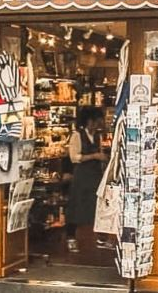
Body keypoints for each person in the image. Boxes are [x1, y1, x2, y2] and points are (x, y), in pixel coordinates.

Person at [65, 106, 108, 252]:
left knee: (98, 206)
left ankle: (102, 238)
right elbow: (74, 157)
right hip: (82, 175)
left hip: (95, 175)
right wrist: (94, 156)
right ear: (90, 121)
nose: (99, 124)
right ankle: (71, 237)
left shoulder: (97, 136)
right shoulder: (77, 135)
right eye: (97, 121)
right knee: (77, 205)